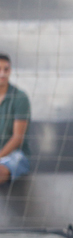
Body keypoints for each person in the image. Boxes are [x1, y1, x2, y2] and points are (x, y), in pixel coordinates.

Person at [0, 54, 31, 184]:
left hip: (14, 154)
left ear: (10, 71)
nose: (2, 73)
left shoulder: (20, 97)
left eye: (6, 69)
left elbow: (17, 138)